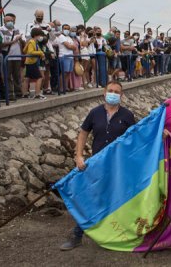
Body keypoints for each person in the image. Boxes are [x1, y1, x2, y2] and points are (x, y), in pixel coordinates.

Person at [60, 81, 136, 250]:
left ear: (121, 95)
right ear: (104, 92)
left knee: (119, 200)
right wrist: (78, 156)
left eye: (117, 92)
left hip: (119, 167)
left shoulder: (127, 115)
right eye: (111, 91)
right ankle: (77, 235)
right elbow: (83, 134)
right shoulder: (94, 113)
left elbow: (136, 138)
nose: (113, 94)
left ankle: (119, 235)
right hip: (97, 166)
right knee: (91, 198)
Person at [0, 13, 24, 100]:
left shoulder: (17, 30)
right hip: (7, 56)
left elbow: (22, 43)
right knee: (7, 76)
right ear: (4, 21)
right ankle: (9, 94)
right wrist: (14, 40)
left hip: (17, 56)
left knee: (17, 76)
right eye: (8, 21)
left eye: (11, 21)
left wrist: (20, 39)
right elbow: (1, 44)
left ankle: (18, 92)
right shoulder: (1, 30)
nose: (10, 22)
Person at [21, 28, 46, 99]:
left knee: (27, 78)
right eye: (40, 35)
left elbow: (25, 50)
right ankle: (37, 93)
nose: (41, 37)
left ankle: (25, 93)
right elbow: (30, 52)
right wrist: (41, 53)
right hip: (31, 62)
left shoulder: (35, 42)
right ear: (36, 35)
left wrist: (41, 53)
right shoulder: (32, 42)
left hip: (30, 62)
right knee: (39, 77)